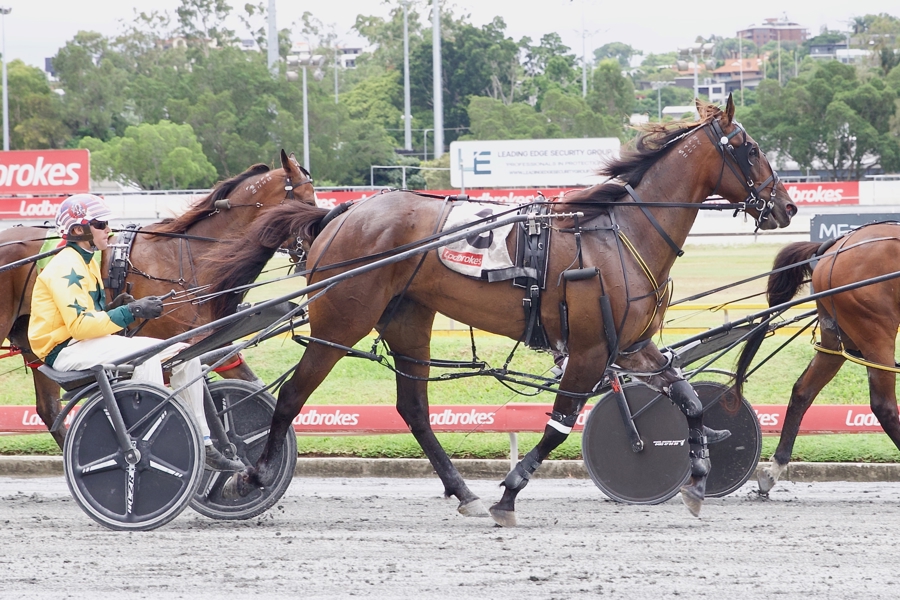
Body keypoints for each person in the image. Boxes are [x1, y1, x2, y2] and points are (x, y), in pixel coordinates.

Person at [28, 194, 243, 472]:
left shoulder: (88, 260)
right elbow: (81, 325)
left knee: (185, 354)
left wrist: (118, 307)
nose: (108, 229)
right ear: (79, 230)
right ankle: (154, 436)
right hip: (65, 349)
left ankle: (203, 443)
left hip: (85, 341)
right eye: (100, 224)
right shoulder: (65, 266)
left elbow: (93, 313)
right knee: (148, 356)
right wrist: (132, 312)